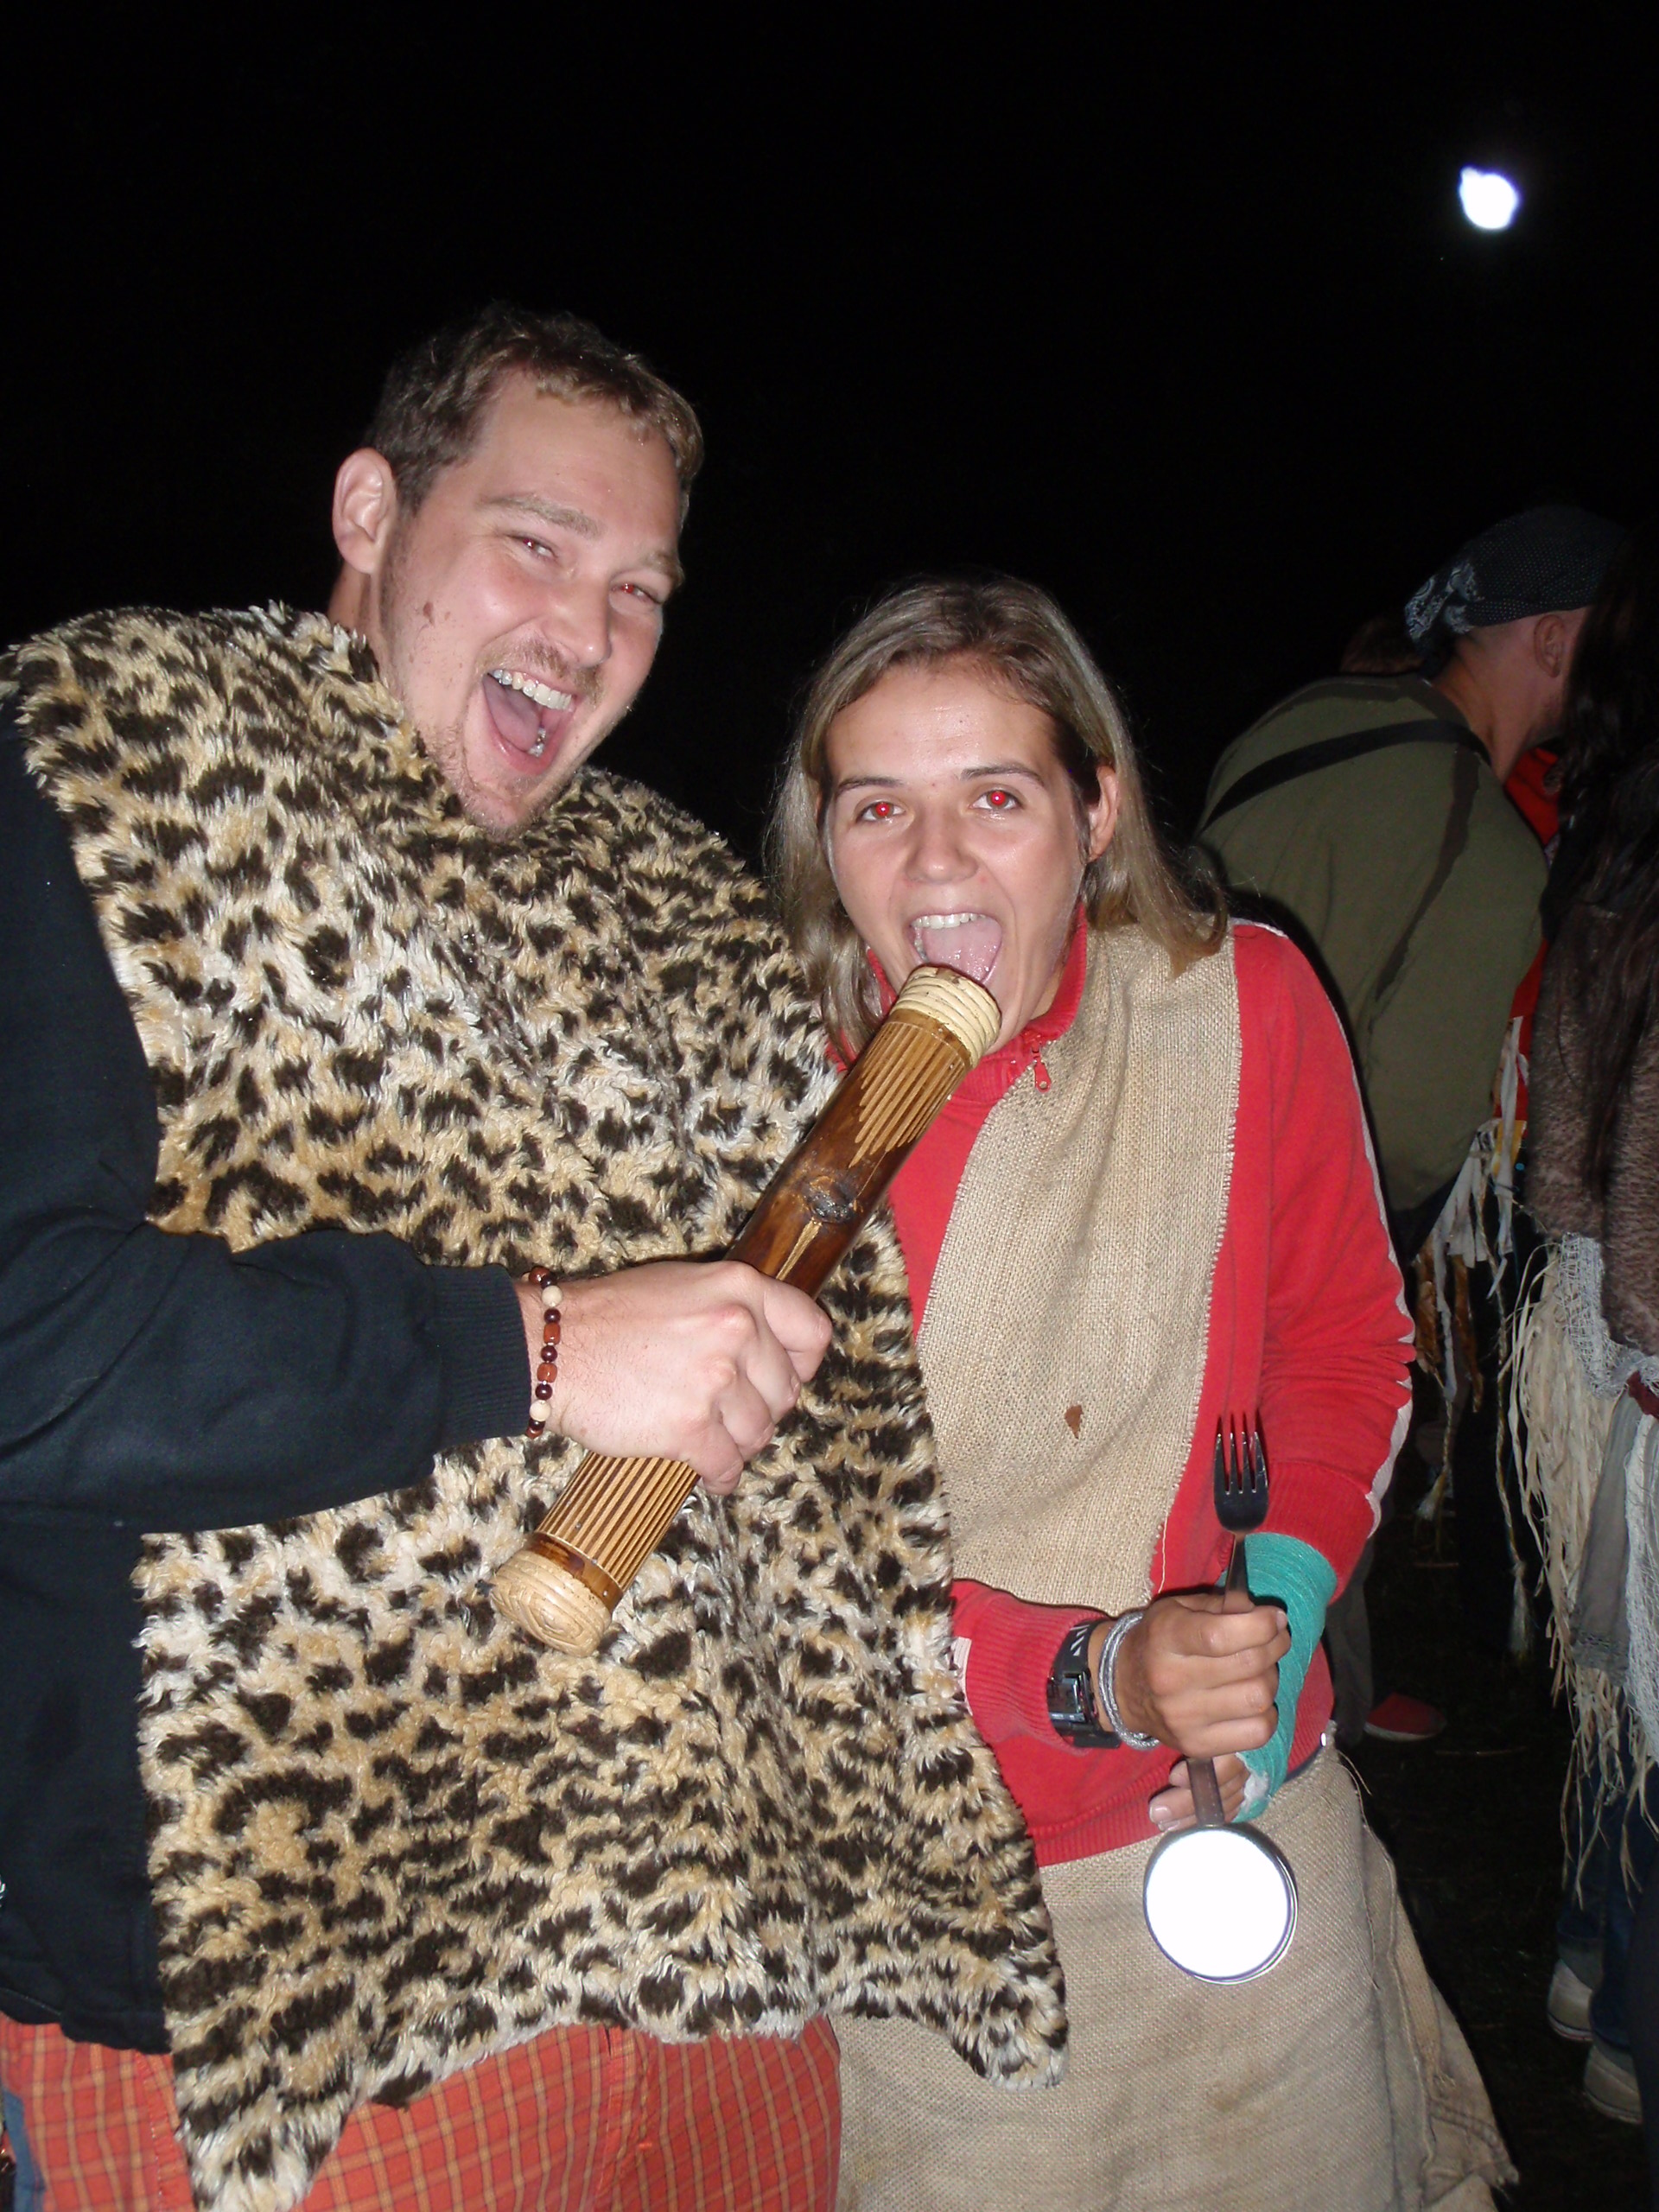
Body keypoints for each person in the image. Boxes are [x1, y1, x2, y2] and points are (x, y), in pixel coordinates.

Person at [0, 308, 1065, 2212]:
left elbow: (844, 1454)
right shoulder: (115, 755)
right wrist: (542, 1346)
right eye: (537, 544)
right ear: (370, 511)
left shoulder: (683, 903)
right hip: (310, 2022)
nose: (589, 629)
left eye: (641, 587)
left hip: (712, 1979)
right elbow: (31, 1343)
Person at [770, 575, 1512, 2211]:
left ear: (1096, 813)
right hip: (925, 1887)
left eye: (998, 798)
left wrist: (1276, 1621)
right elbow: (771, 1565)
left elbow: (1343, 1346)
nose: (936, 864)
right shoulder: (765, 1103)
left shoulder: (1233, 1008)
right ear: (825, 842)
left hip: (1229, 1835)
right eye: (877, 807)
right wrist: (1096, 1674)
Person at [1201, 505, 1624, 1733]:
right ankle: (1300, 1720)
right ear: (1555, 640)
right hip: (1272, 1225)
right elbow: (1415, 1142)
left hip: (1161, 1151)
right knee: (1303, 1464)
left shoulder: (1307, 719)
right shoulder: (1486, 844)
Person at [1518, 519, 1659, 2164]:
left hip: (1609, 1335)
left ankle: (1594, 1968)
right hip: (1631, 1339)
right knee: (1635, 1692)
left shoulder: (1610, 838)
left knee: (1626, 1691)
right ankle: (1621, 2007)